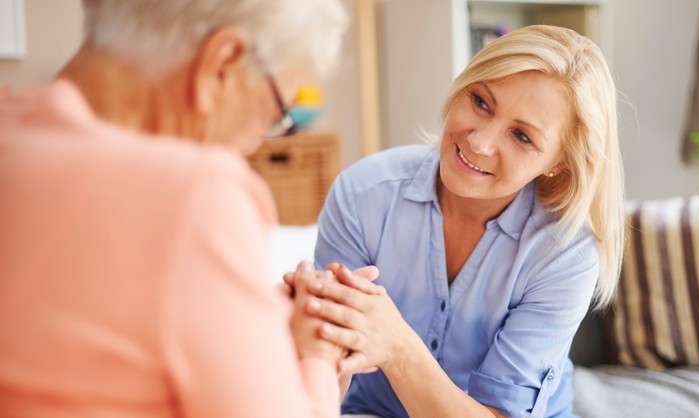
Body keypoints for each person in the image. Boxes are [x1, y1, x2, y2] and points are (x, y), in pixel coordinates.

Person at [0, 0, 359, 416]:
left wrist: (249, 323)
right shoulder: (198, 195)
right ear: (223, 62)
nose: (256, 143)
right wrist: (316, 355)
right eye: (277, 112)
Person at [297, 25, 625, 418]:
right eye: (481, 102)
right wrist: (307, 331)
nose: (479, 142)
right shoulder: (362, 195)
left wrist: (396, 344)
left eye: (521, 136)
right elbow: (325, 371)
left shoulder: (564, 252)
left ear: (558, 164)